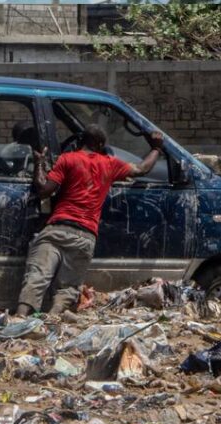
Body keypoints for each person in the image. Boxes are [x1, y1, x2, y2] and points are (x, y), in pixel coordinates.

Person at [15, 124, 164, 316]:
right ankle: (53, 320)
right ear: (100, 144)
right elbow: (141, 169)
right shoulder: (110, 163)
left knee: (36, 277)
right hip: (85, 236)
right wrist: (157, 148)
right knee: (68, 287)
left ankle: (19, 319)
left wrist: (39, 163)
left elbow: (44, 189)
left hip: (56, 229)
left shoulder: (67, 159)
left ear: (81, 141)